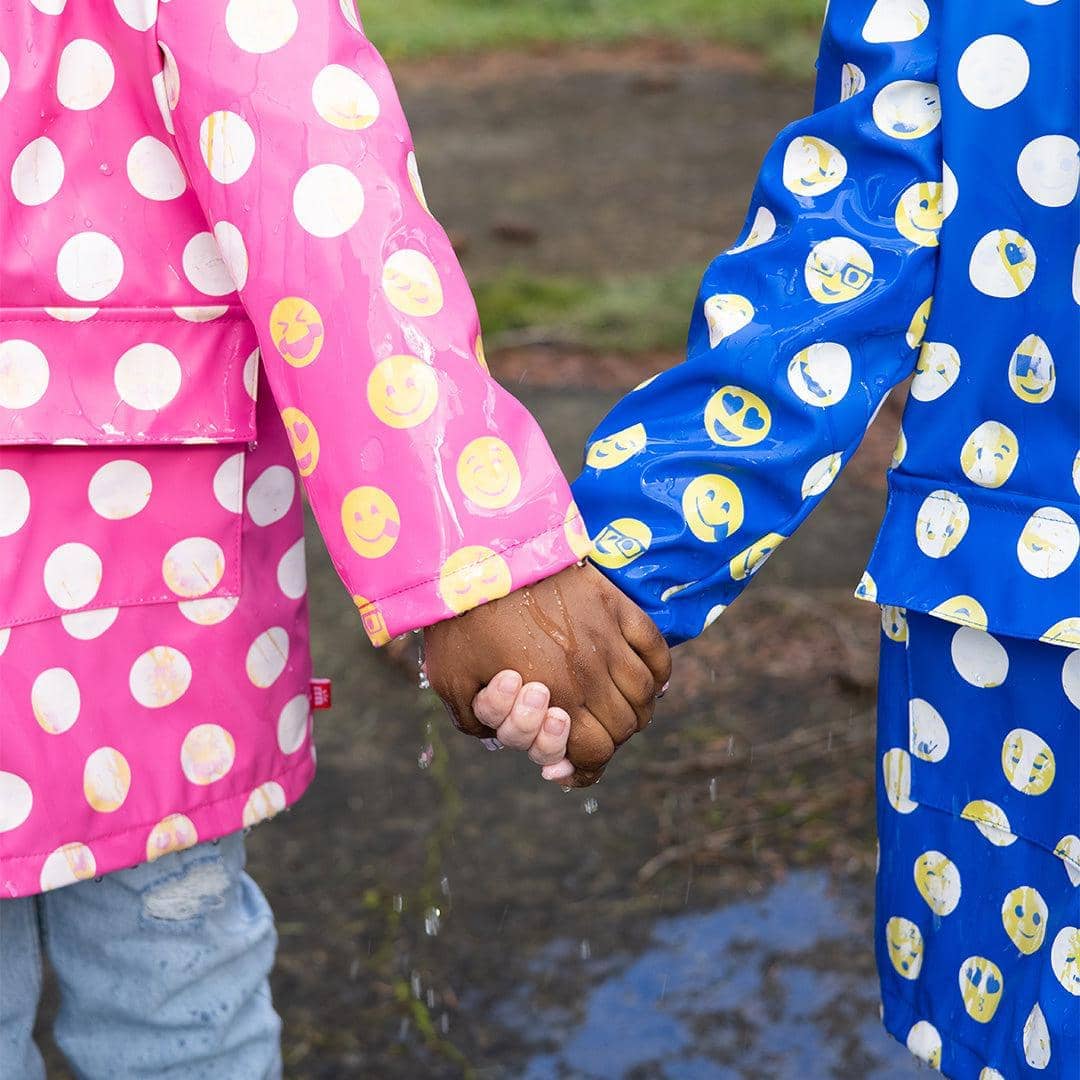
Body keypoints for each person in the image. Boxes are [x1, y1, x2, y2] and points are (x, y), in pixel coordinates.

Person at [0, 2, 669, 1076]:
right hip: (129, 553)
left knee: (170, 988)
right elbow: (308, 174)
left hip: (119, 553)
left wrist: (473, 567)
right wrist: (470, 557)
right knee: (171, 999)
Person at [476, 0, 1080, 1075]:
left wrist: (603, 575)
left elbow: (841, 253)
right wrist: (607, 576)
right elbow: (842, 252)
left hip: (1025, 610)